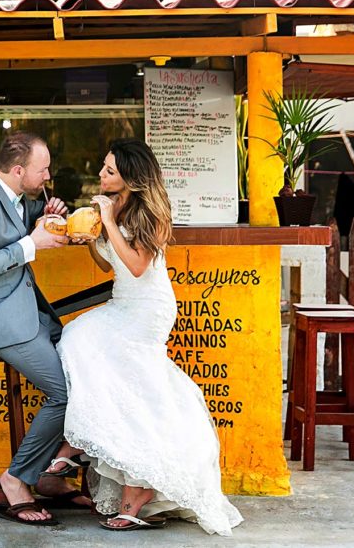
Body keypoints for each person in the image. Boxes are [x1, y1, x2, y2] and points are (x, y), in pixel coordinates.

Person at [49, 138, 243, 536]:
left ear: (131, 178)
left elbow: (137, 266)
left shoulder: (150, 210)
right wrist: (90, 240)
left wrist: (106, 220)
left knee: (129, 384)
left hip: (147, 310)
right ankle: (86, 444)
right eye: (103, 168)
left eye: (109, 171)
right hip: (123, 304)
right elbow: (109, 265)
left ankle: (110, 472)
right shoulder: (114, 205)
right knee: (79, 343)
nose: (101, 175)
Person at [0, 130, 90, 526]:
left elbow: (17, 228)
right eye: (42, 171)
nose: (47, 177)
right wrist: (32, 243)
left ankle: (50, 473)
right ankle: (18, 478)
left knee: (91, 369)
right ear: (17, 169)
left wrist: (46, 218)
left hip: (30, 315)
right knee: (63, 393)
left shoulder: (14, 197)